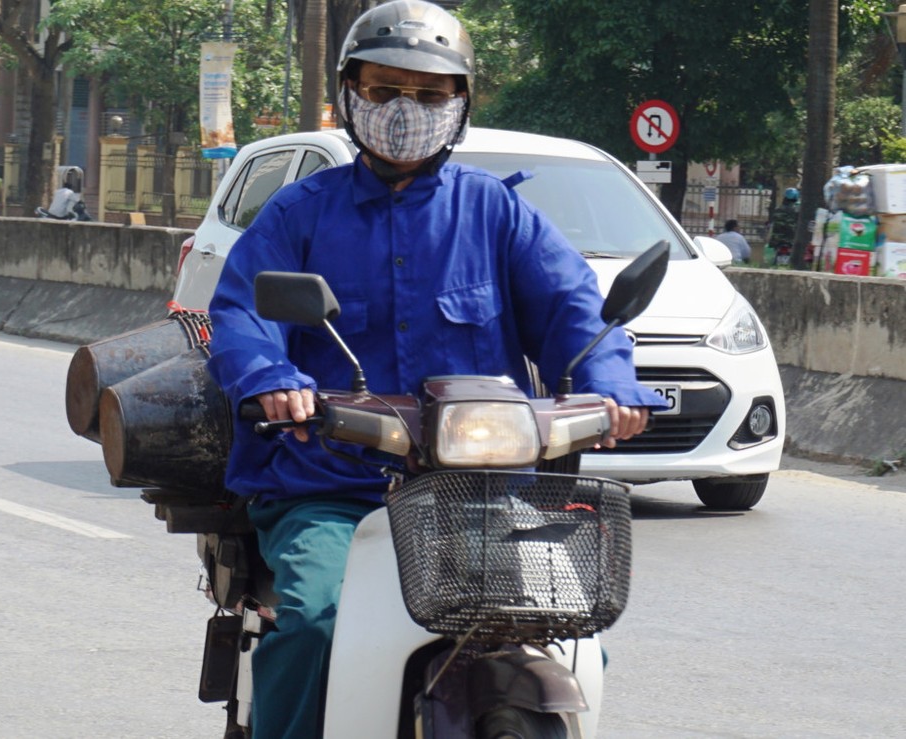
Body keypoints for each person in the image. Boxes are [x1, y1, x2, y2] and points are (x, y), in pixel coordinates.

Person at [206, 2, 666, 737]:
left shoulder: (499, 214)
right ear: (349, 95)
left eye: (428, 94)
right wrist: (271, 380)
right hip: (331, 489)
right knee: (315, 624)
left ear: (459, 107)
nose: (404, 110)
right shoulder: (298, 213)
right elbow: (240, 315)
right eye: (385, 89)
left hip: (478, 493)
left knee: (579, 642)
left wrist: (609, 385)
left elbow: (573, 310)